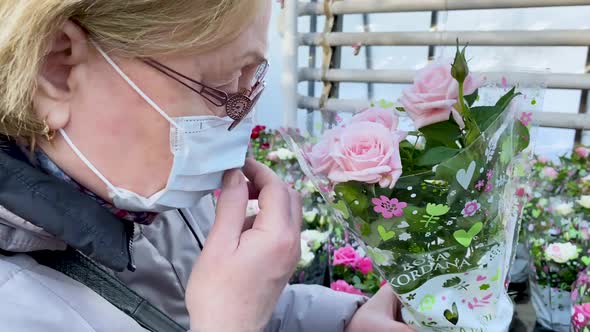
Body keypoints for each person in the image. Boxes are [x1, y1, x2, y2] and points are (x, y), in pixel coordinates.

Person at [0, 1, 412, 331]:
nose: (239, 122)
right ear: (56, 67)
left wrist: (344, 321)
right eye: (220, 86)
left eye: (252, 82)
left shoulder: (149, 196)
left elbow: (191, 306)